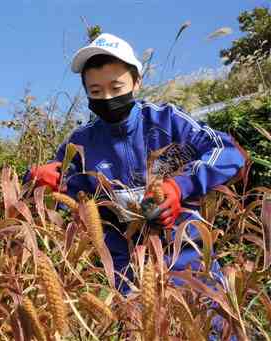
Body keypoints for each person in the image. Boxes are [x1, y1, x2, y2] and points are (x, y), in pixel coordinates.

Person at [29, 32, 245, 293]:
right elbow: (56, 187)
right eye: (96, 91)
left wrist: (180, 187)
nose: (108, 98)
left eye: (116, 88)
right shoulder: (81, 142)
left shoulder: (166, 121)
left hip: (189, 260)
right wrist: (40, 183)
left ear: (136, 82)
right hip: (126, 273)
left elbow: (224, 149)